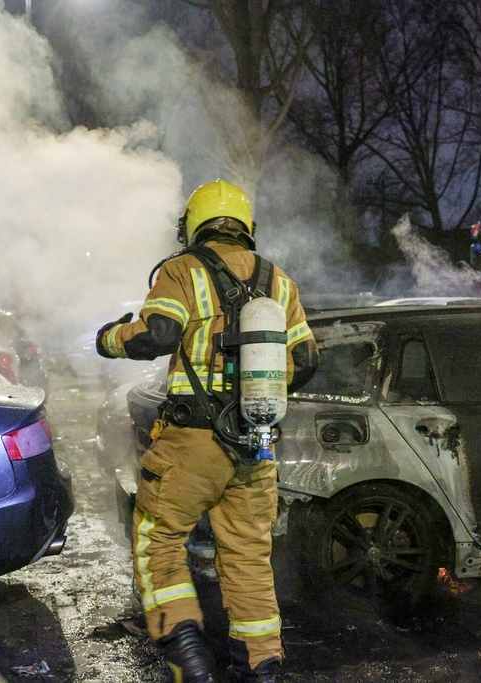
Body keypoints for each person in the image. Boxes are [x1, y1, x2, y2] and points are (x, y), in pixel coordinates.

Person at [96, 179, 318, 683]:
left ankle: (190, 662)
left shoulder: (182, 269)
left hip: (192, 442)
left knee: (158, 541)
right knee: (248, 558)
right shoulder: (279, 280)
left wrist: (109, 339)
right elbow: (306, 360)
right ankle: (261, 670)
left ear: (193, 225)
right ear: (246, 226)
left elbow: (158, 335)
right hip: (256, 444)